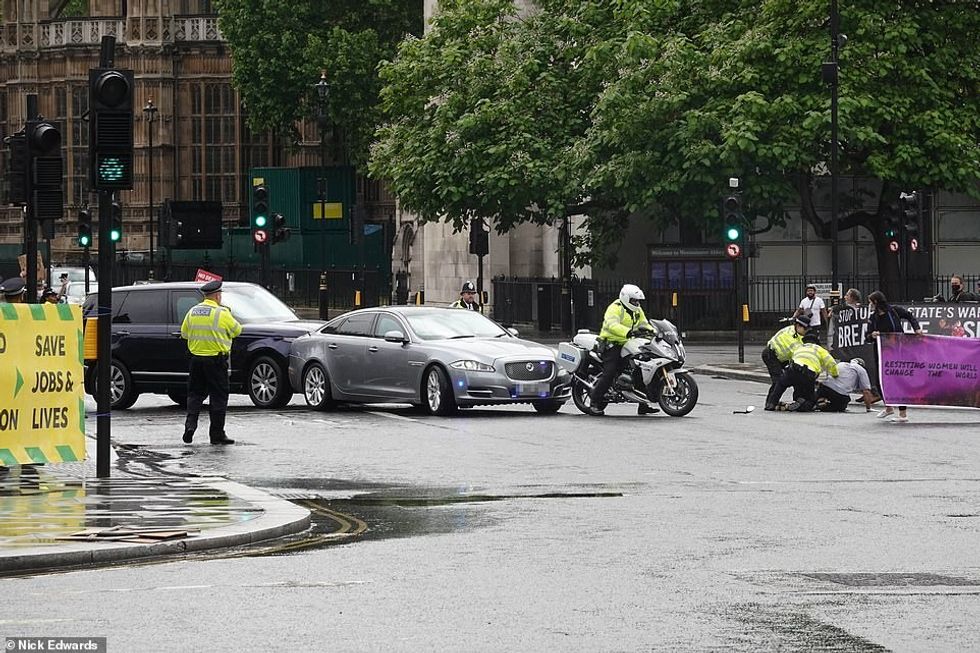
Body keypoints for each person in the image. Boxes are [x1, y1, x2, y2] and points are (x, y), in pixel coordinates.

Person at [180, 280, 242, 445]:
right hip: (216, 361)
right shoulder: (221, 313)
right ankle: (216, 434)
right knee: (218, 397)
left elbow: (184, 333)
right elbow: (237, 330)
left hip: (196, 360)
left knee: (194, 395)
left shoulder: (192, 312)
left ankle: (190, 425)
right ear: (217, 295)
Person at [589, 284, 659, 416]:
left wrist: (654, 331)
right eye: (634, 300)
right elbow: (612, 325)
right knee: (610, 372)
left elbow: (644, 323)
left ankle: (643, 405)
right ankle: (594, 402)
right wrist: (628, 332)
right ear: (626, 298)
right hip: (611, 344)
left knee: (639, 368)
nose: (637, 303)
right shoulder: (615, 308)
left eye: (638, 301)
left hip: (628, 344)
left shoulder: (637, 310)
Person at [866, 290, 923, 423]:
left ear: (876, 302)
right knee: (879, 380)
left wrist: (917, 328)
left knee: (898, 379)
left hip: (897, 350)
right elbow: (867, 336)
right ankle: (888, 407)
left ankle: (903, 414)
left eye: (870, 302)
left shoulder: (894, 311)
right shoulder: (873, 317)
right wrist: (872, 335)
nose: (870, 305)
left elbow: (910, 316)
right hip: (881, 352)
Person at [767, 330, 839, 412]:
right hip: (808, 374)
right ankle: (803, 404)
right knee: (810, 397)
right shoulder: (820, 349)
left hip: (793, 369)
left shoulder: (799, 348)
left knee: (781, 385)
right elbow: (831, 364)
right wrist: (835, 374)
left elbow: (791, 359)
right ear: (817, 342)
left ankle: (771, 403)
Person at [762, 314, 810, 410]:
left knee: (796, 376)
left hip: (781, 357)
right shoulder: (792, 339)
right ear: (798, 326)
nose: (806, 332)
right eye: (805, 329)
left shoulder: (793, 331)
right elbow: (797, 356)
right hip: (771, 355)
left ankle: (798, 400)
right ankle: (770, 403)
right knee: (778, 380)